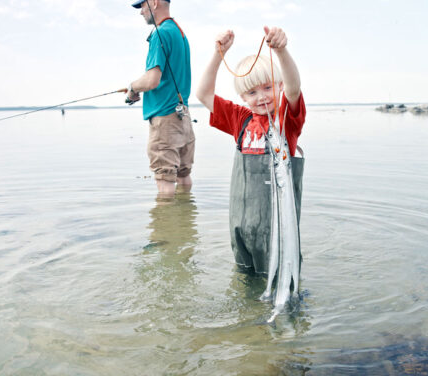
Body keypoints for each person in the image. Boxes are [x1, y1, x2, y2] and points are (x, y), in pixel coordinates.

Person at [196, 26, 306, 274]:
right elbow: (203, 94)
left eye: (268, 88)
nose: (262, 97)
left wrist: (281, 51)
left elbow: (294, 88)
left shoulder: (286, 118)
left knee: (280, 282)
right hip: (242, 229)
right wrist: (218, 54)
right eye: (252, 92)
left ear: (279, 86)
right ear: (243, 97)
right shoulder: (240, 119)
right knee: (245, 283)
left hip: (278, 235)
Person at [126, 0, 194, 198]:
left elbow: (152, 80)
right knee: (184, 177)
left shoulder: (160, 32)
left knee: (165, 184)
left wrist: (132, 88)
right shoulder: (180, 33)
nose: (141, 12)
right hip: (184, 118)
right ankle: (185, 226)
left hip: (165, 120)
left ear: (154, 3)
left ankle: (167, 229)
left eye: (143, 6)